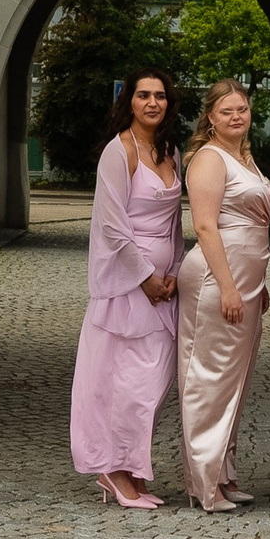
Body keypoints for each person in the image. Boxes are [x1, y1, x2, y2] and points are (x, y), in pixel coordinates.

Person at [71, 70, 184, 509]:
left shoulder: (171, 151)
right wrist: (145, 277)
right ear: (129, 101)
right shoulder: (118, 152)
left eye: (159, 96)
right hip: (127, 285)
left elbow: (176, 220)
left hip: (163, 286)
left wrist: (173, 268)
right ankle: (114, 471)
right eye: (143, 95)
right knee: (120, 382)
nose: (152, 103)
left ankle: (134, 466)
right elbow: (113, 225)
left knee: (153, 382)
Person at [177, 78, 270, 513]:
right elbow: (204, 226)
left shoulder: (246, 159)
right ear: (211, 118)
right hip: (218, 279)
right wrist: (230, 285)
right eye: (227, 111)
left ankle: (223, 472)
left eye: (242, 109)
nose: (237, 117)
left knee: (235, 379)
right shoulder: (209, 158)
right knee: (208, 378)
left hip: (246, 281)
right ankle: (204, 483)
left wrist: (258, 284)